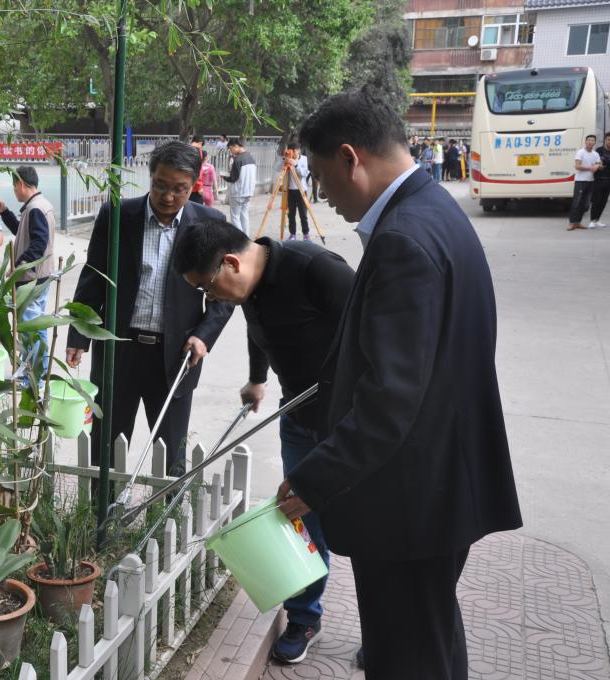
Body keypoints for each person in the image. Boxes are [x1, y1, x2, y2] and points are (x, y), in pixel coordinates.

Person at [277, 90, 522, 679]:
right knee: (429, 640)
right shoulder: (435, 209)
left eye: (320, 178)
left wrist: (312, 479)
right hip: (440, 484)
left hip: (410, 500)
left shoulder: (402, 239)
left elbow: (389, 400)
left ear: (349, 158)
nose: (322, 195)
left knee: (405, 655)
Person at [172, 217, 355, 665]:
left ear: (231, 263)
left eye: (208, 289)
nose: (210, 300)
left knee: (367, 524)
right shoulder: (248, 288)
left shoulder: (317, 270)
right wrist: (257, 379)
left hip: (350, 427)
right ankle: (304, 617)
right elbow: (259, 330)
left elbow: (373, 337)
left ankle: (382, 626)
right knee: (301, 518)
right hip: (298, 419)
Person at [65, 141, 233, 477]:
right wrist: (79, 335)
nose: (167, 196)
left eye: (179, 189)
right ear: (150, 176)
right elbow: (93, 277)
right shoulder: (117, 215)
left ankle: (165, 511)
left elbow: (225, 293)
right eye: (160, 185)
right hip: (118, 349)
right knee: (106, 449)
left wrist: (204, 336)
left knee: (170, 455)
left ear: (194, 184)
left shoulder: (210, 224)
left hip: (176, 356)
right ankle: (103, 511)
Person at [0, 165, 57, 377]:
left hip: (31, 280)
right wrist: (4, 212)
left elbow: (38, 244)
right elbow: (22, 231)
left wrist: (18, 265)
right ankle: (36, 373)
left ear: (21, 184)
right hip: (40, 276)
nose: (14, 191)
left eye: (14, 186)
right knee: (35, 326)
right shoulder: (39, 205)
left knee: (30, 329)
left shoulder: (35, 209)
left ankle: (34, 378)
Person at [569, 134, 604, 231]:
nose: (590, 142)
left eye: (592, 140)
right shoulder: (580, 152)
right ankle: (572, 223)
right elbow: (577, 166)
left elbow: (600, 165)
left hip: (590, 181)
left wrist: (598, 166)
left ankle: (578, 222)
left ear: (595, 142)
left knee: (584, 204)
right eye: (589, 140)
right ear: (585, 141)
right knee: (577, 202)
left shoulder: (595, 154)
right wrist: (591, 168)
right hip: (580, 181)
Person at [224, 138, 256, 234]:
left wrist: (224, 177)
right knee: (244, 215)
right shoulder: (251, 157)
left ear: (236, 146)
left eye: (231, 149)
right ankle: (246, 237)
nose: (231, 151)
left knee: (235, 217)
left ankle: (240, 239)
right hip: (249, 191)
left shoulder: (238, 159)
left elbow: (233, 178)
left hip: (238, 192)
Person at [284, 142, 311, 241]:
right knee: (291, 214)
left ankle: (306, 234)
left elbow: (305, 173)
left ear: (298, 150)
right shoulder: (287, 158)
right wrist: (284, 158)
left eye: (295, 150)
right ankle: (292, 234)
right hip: (290, 191)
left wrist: (296, 165)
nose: (293, 153)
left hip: (301, 190)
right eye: (291, 150)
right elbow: (277, 168)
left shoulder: (304, 159)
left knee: (303, 214)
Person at [589, 132, 610, 228]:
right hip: (599, 180)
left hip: (608, 180)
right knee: (596, 201)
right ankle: (592, 221)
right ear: (605, 140)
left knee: (603, 201)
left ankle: (597, 220)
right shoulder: (599, 151)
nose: (609, 142)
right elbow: (596, 163)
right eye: (608, 140)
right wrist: (599, 165)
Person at [188, 136, 206, 204]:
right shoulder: (196, 151)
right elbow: (197, 170)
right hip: (195, 188)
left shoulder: (186, 149)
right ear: (200, 143)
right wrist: (199, 186)